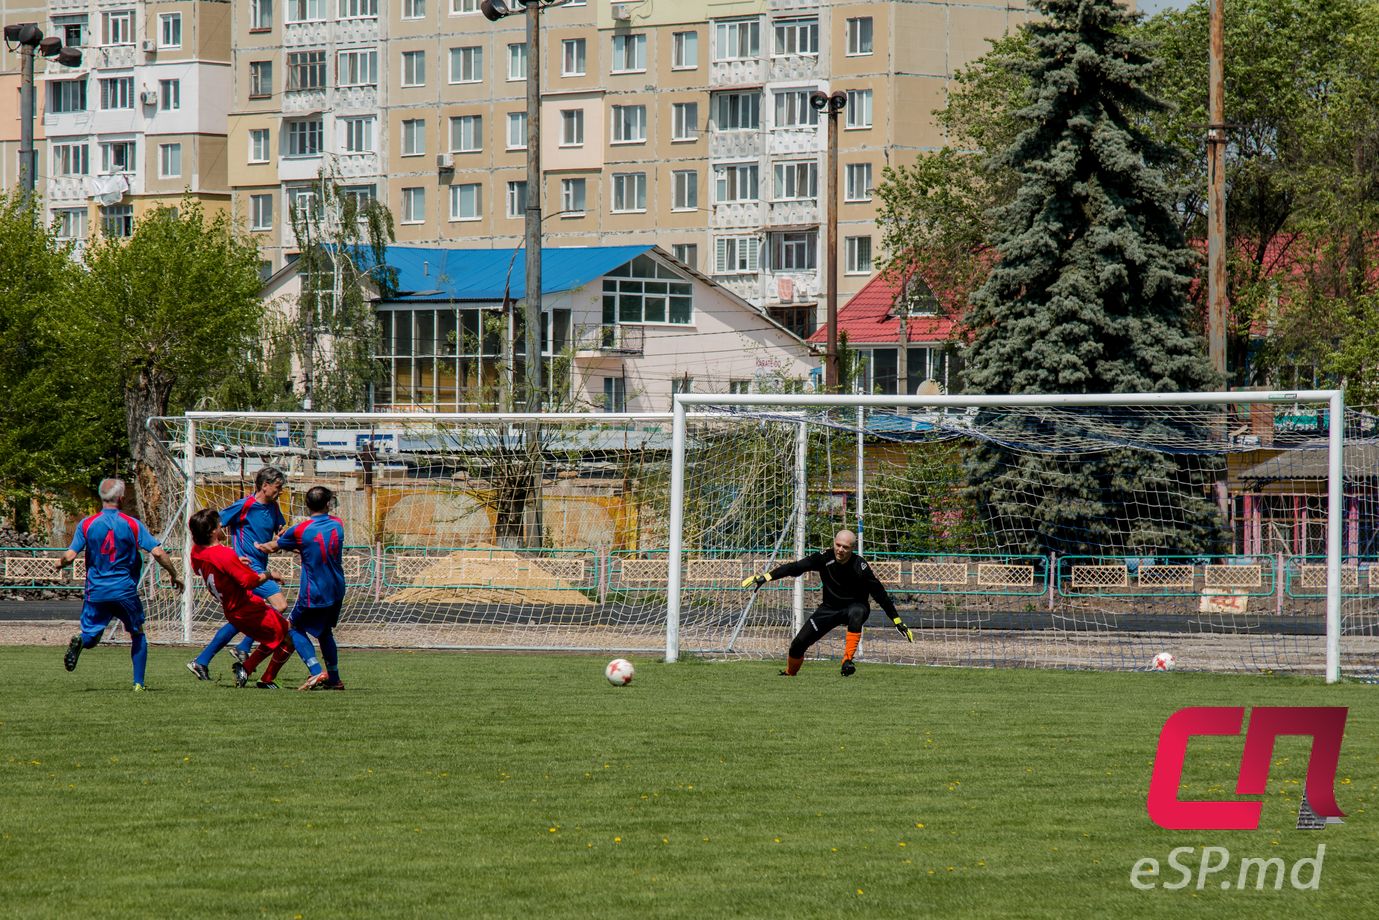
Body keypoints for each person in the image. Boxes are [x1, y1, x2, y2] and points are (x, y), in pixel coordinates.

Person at [56, 478, 184, 691]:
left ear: (101, 497)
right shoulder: (132, 524)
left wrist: (59, 564)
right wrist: (174, 574)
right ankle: (138, 684)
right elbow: (158, 552)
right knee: (137, 633)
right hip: (124, 590)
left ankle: (80, 639)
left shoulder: (87, 524)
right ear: (122, 498)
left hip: (96, 590)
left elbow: (69, 556)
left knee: (91, 636)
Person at [741, 529, 913, 677]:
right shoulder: (824, 557)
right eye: (838, 545)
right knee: (797, 645)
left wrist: (896, 620)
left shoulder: (860, 566)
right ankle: (789, 674)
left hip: (854, 607)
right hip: (829, 609)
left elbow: (879, 593)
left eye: (845, 547)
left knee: (857, 612)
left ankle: (847, 661)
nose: (840, 550)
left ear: (852, 549)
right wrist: (766, 577)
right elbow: (795, 567)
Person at [186, 466, 288, 680]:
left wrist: (282, 535)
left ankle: (204, 660)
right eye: (278, 487)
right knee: (279, 606)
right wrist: (230, 556)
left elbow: (280, 529)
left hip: (256, 564)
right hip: (248, 568)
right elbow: (214, 526)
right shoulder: (245, 506)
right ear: (265, 486)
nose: (281, 491)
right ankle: (243, 648)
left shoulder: (274, 506)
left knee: (242, 615)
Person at [258, 485, 346, 691]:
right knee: (324, 632)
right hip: (337, 588)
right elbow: (311, 544)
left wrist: (258, 545)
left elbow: (272, 546)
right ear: (328, 504)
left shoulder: (300, 530)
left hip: (314, 590)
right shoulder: (338, 524)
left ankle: (316, 671)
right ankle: (334, 679)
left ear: (306, 505)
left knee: (293, 628)